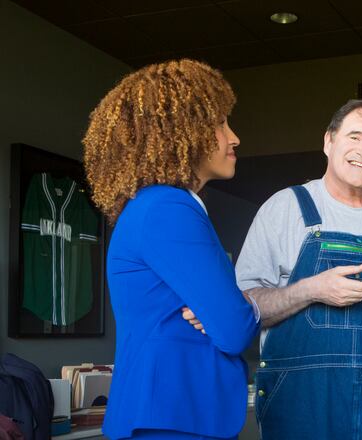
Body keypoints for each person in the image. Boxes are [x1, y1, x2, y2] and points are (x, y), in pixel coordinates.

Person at [82, 59, 260, 439]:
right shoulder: (168, 208)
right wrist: (240, 305)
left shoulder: (157, 206)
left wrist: (223, 309)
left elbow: (222, 318)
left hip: (171, 414)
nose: (233, 138)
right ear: (183, 131)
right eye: (220, 124)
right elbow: (233, 328)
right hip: (170, 418)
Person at [236, 98, 362, 439]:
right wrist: (311, 290)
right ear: (329, 141)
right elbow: (243, 307)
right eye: (354, 137)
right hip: (300, 403)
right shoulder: (284, 208)